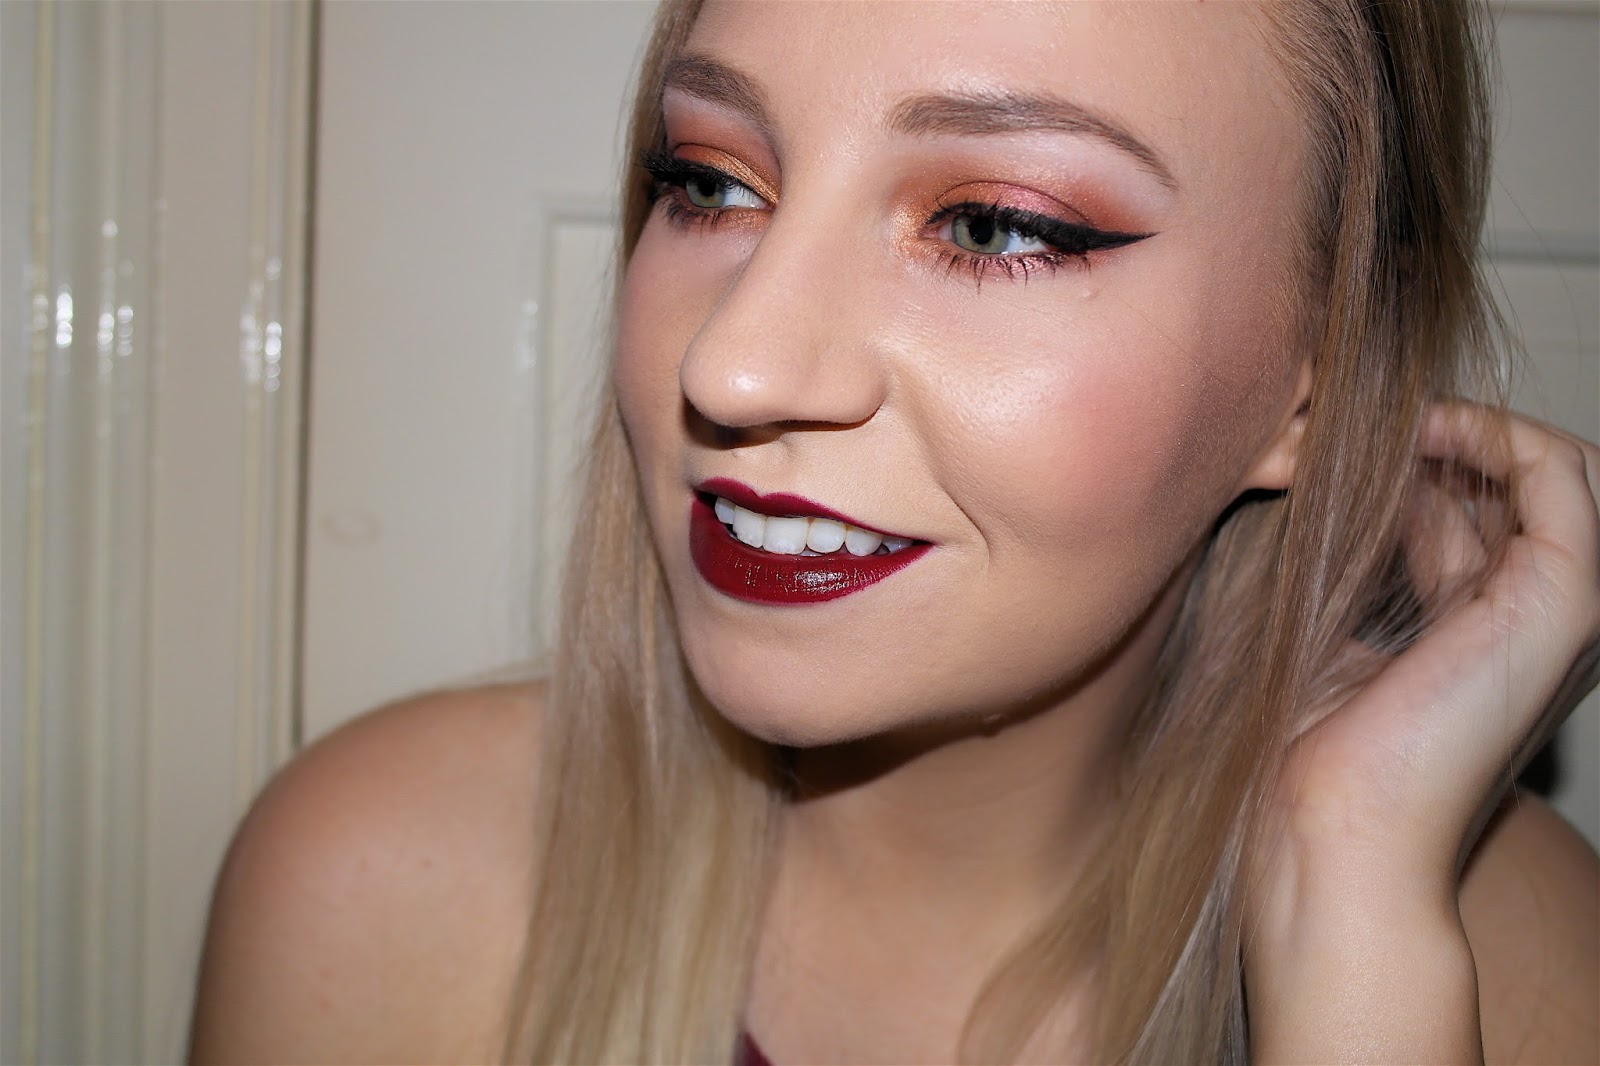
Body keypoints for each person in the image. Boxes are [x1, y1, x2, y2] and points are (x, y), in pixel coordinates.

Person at [188, 1, 1600, 1062]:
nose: (735, 366)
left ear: (1315, 380)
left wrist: (1352, 931)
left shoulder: (1507, 953)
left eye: (991, 226)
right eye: (710, 182)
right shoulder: (379, 886)